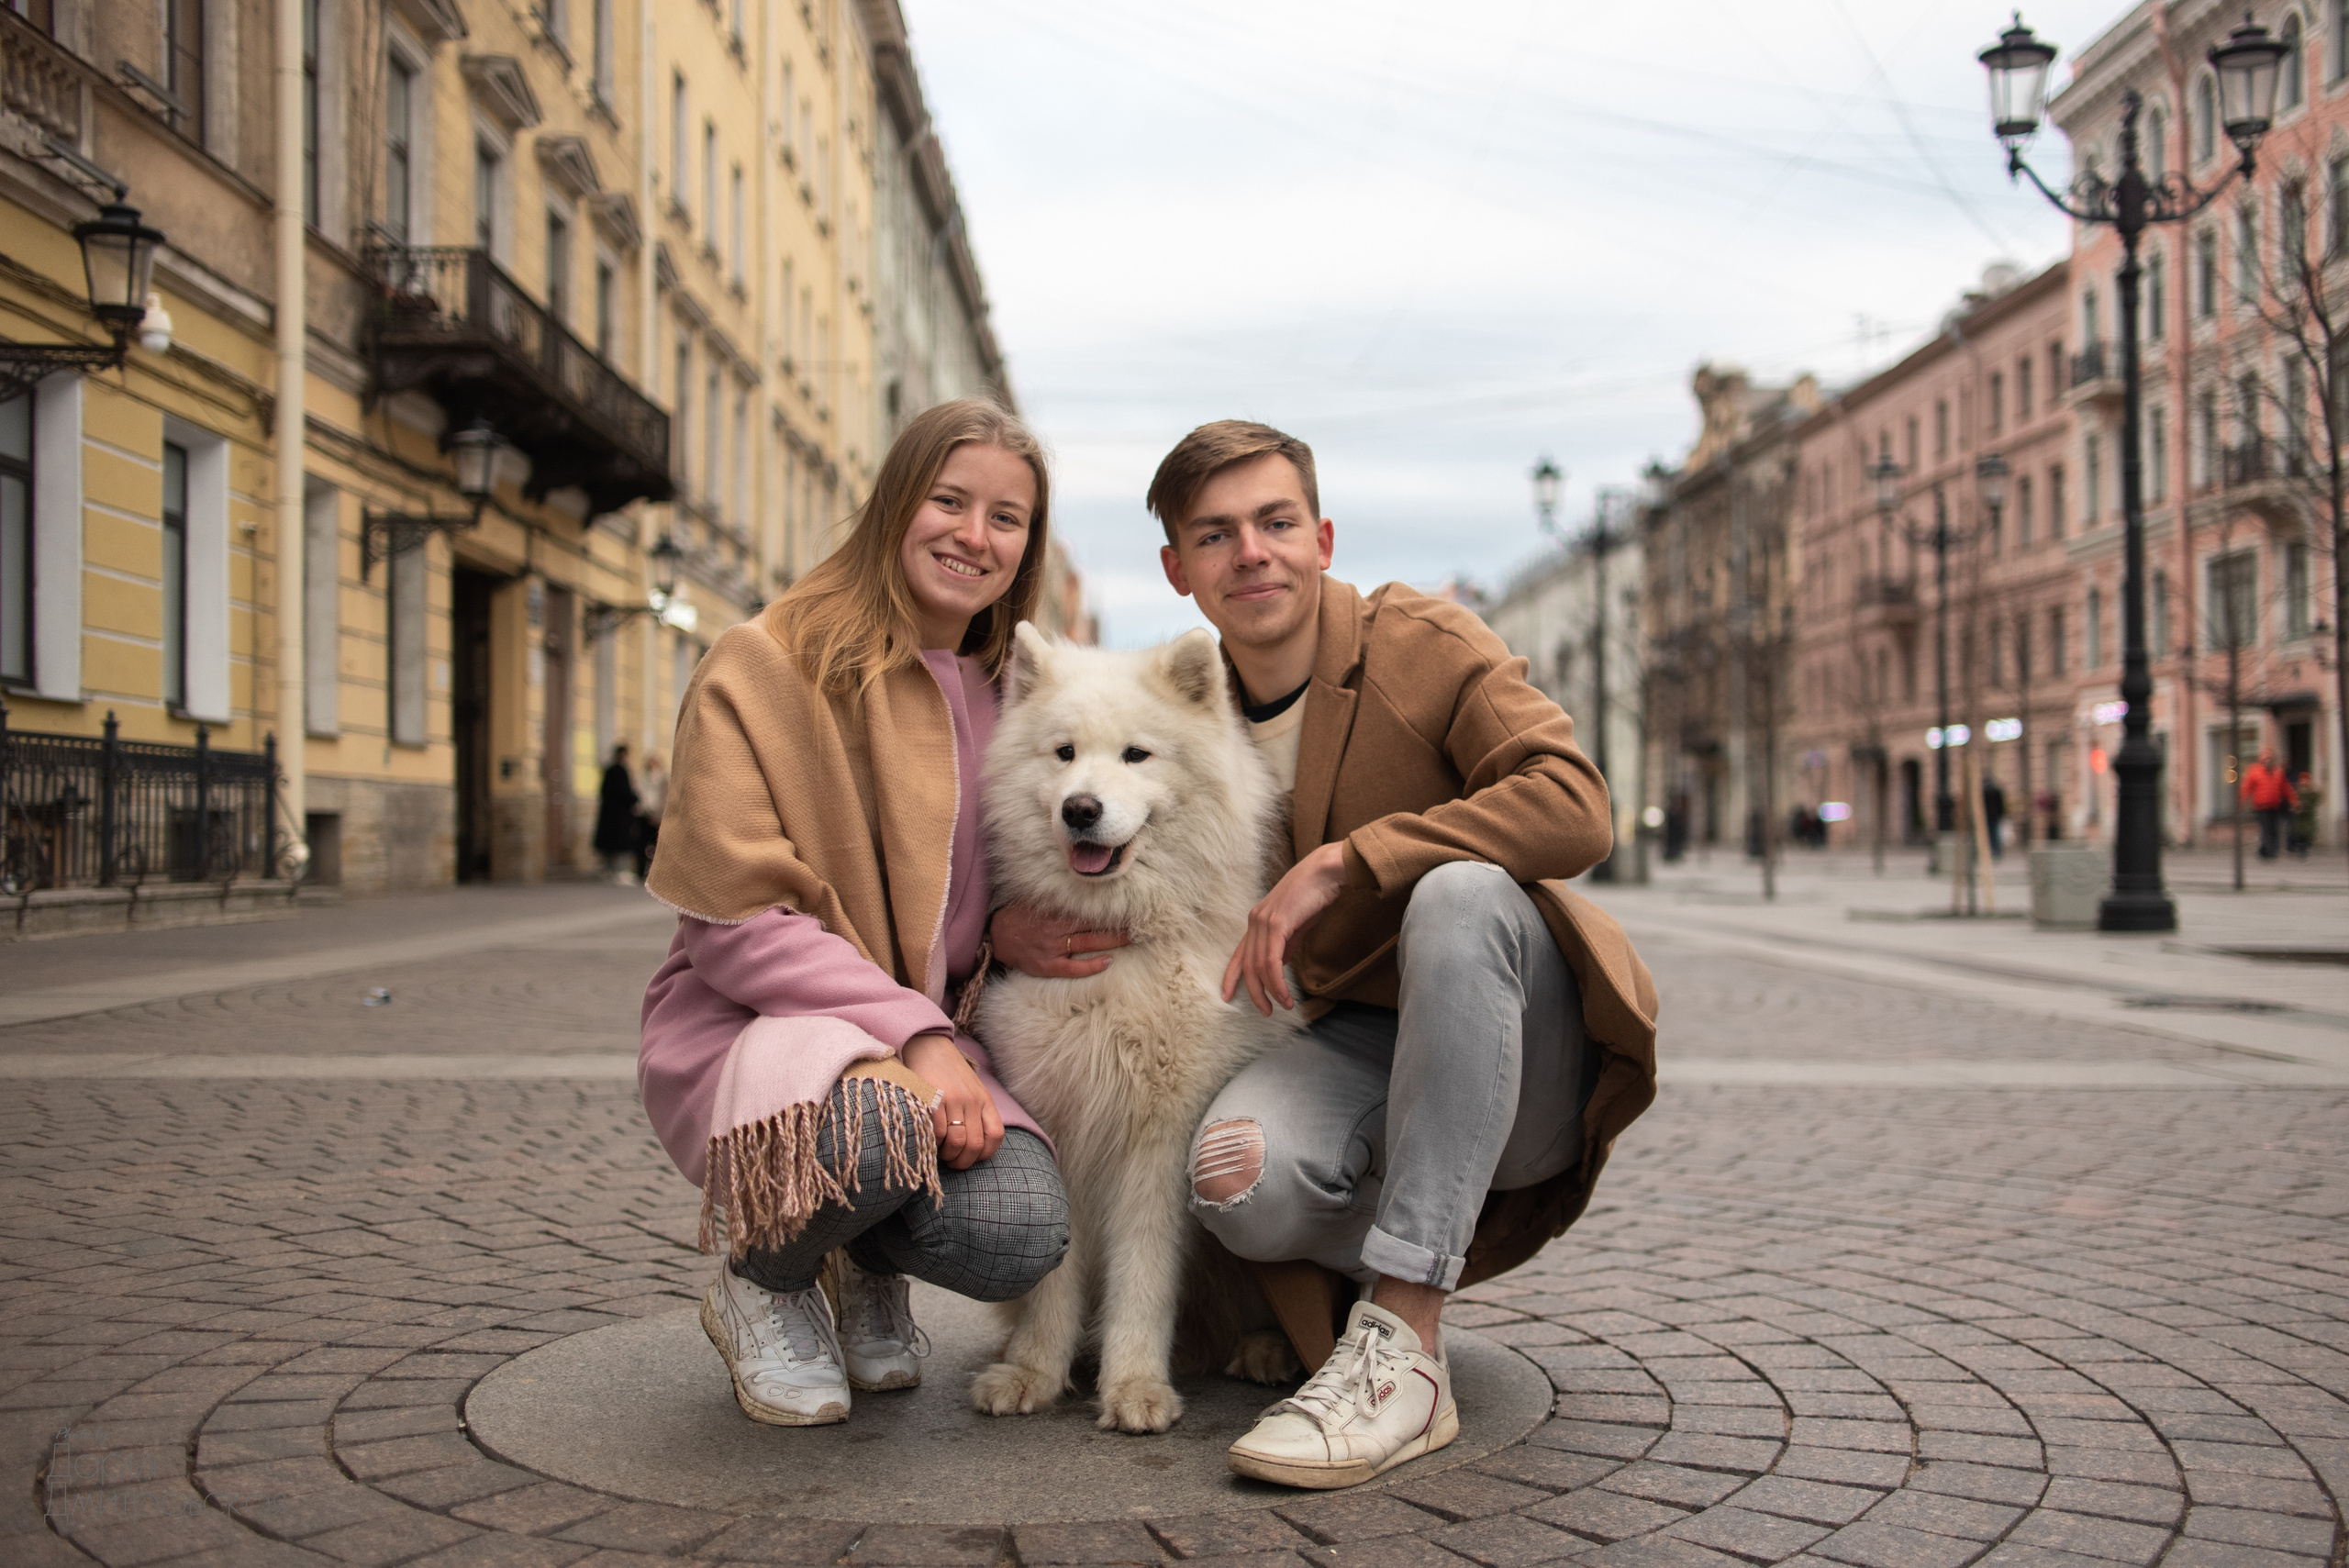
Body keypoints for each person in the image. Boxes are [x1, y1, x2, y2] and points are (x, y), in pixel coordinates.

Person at [994, 421, 1657, 1490]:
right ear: (1178, 569)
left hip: (1508, 1051)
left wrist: (1356, 858)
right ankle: (1349, 1305)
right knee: (1232, 1177)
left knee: (1457, 895)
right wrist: (1003, 930)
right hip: (1350, 1049)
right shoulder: (1187, 708)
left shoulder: (1421, 643)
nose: (1250, 552)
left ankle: (1404, 1339)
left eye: (1275, 522)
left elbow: (1576, 803)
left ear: (1322, 536)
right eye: (1214, 535)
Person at [638, 398, 1069, 1429]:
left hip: (941, 1041)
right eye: (949, 500)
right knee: (881, 1122)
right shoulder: (765, 662)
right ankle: (763, 1280)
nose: (974, 534)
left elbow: (988, 891)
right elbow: (732, 918)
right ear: (893, 505)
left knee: (1020, 1229)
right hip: (772, 1021)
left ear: (1026, 546)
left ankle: (860, 1259)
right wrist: (917, 1035)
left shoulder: (1015, 692)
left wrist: (1005, 938)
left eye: (1006, 518)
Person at [2241, 746, 2298, 861]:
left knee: (2273, 828)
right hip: (2261, 806)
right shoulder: (2255, 772)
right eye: (2265, 759)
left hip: (2275, 806)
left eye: (2269, 759)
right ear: (2261, 760)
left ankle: (2266, 850)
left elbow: (2286, 789)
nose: (2267, 762)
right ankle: (2269, 850)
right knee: (2266, 828)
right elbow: (2247, 787)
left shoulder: (2278, 773)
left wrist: (2294, 801)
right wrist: (2242, 800)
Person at [593, 744, 639, 884]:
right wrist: (635, 799)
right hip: (620, 816)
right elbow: (625, 793)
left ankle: (608, 870)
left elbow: (602, 791)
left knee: (609, 844)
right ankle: (619, 872)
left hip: (609, 814)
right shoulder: (621, 771)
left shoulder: (609, 770)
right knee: (620, 842)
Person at [635, 751, 668, 881]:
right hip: (643, 813)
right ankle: (641, 871)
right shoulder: (642, 777)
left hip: (658, 814)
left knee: (658, 845)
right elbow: (639, 794)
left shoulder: (662, 778)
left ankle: (657, 873)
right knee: (641, 844)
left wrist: (658, 813)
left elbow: (664, 797)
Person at [2291, 771, 2321, 860]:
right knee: (2300, 836)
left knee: (2307, 836)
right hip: (2300, 820)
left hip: (2308, 820)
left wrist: (2302, 808)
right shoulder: (2297, 794)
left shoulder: (2312, 795)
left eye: (2306, 785)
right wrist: (2295, 808)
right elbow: (2293, 803)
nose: (2304, 787)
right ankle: (2301, 851)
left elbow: (2312, 805)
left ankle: (2304, 849)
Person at [1981, 776, 2008, 860]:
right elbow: (2001, 803)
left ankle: (1991, 850)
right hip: (1995, 815)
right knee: (1996, 832)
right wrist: (2002, 814)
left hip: (1987, 815)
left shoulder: (1984, 792)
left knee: (1989, 833)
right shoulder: (1996, 791)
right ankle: (1997, 850)